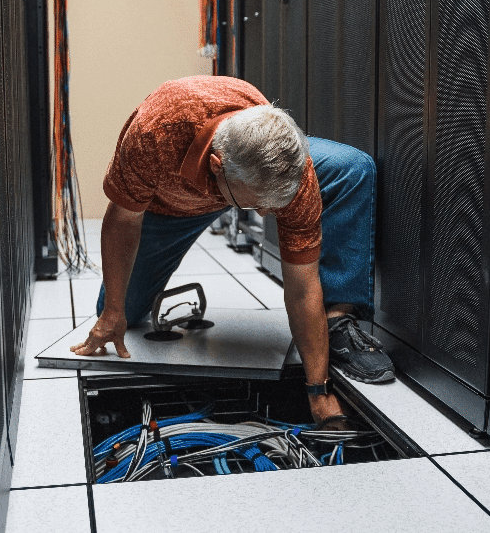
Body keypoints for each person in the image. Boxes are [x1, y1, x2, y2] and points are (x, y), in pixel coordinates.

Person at [69, 75, 394, 425]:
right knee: (123, 313)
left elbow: (301, 288)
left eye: (273, 204)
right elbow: (122, 219)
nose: (268, 216)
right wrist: (114, 311)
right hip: (168, 207)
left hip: (245, 175)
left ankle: (336, 321)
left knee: (351, 168)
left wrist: (317, 389)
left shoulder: (293, 177)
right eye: (260, 205)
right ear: (216, 167)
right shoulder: (154, 134)